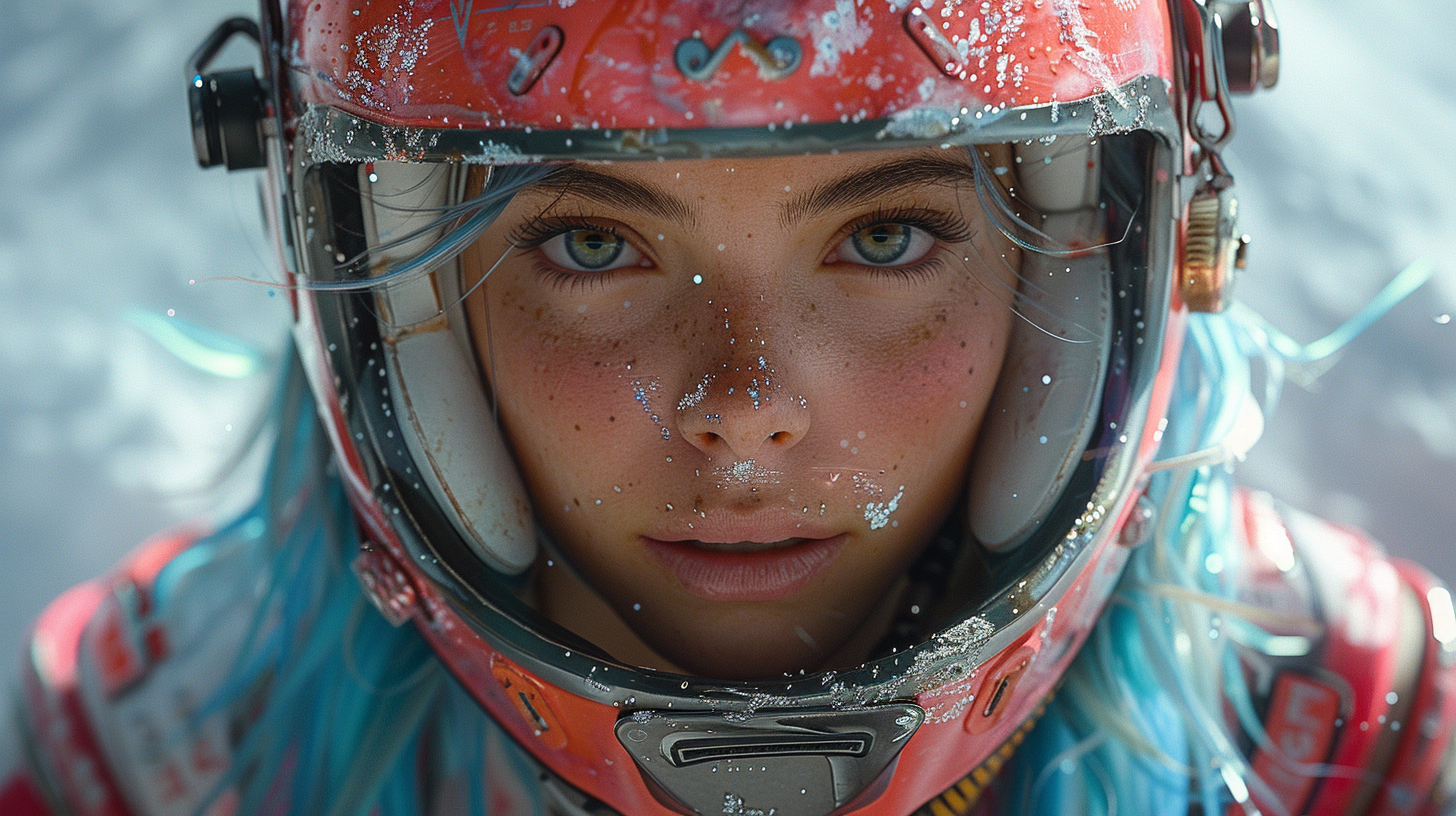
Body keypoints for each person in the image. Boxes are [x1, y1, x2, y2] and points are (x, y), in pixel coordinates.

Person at [4, 1, 1452, 814]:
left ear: (1096, 260)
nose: (743, 408)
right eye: (591, 246)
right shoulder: (132, 769)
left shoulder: (1373, 748)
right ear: (394, 302)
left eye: (884, 239)